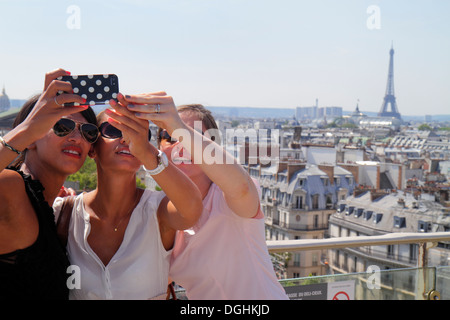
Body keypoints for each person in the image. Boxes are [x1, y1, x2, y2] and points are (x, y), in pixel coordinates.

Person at [124, 94, 288, 300]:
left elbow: (242, 189)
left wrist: (175, 124)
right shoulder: (162, 211)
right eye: (170, 137)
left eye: (190, 135)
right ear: (160, 147)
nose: (181, 144)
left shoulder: (227, 198)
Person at [53, 93, 203, 299]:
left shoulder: (157, 210)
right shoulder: (64, 213)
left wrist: (147, 152)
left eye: (137, 133)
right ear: (92, 149)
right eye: (113, 130)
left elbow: (193, 208)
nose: (126, 138)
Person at [0, 69, 97, 299]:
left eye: (88, 131)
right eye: (62, 126)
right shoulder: (11, 186)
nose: (76, 137)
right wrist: (25, 131)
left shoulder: (48, 206)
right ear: (32, 137)